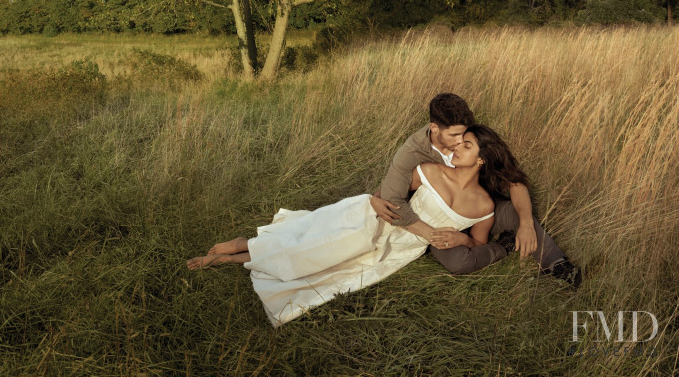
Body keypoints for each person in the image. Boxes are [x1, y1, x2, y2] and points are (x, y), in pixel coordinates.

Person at [187, 125, 524, 327]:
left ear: (482, 159)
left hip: (402, 247)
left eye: (466, 146)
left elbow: (479, 246)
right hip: (379, 218)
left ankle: (241, 257)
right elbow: (389, 192)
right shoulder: (431, 171)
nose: (456, 148)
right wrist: (376, 200)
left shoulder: (484, 206)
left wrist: (461, 239)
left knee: (334, 272)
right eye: (457, 142)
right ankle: (244, 245)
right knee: (322, 241)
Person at [370, 93, 580, 286]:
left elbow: (515, 182)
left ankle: (556, 263)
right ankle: (503, 247)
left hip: (479, 209)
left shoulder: (473, 143)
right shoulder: (413, 153)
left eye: (465, 137)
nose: (460, 142)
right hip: (437, 218)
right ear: (435, 128)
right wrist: (376, 198)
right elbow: (395, 187)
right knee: (457, 260)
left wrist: (525, 223)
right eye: (454, 136)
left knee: (517, 213)